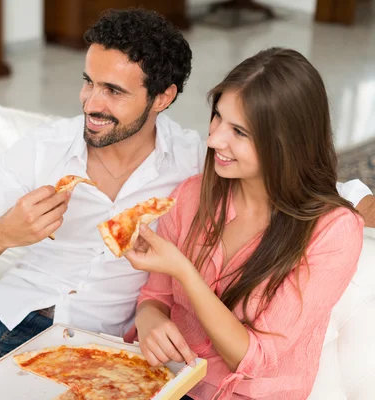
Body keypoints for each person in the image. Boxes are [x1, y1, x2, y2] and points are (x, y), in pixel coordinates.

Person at [0, 9, 373, 400]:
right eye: (87, 82)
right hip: (7, 309)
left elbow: (311, 191)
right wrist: (5, 232)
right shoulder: (50, 150)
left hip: (99, 341)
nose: (90, 104)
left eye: (114, 92)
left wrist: (363, 202)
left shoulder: (194, 164)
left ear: (164, 98)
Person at [125, 48, 364, 400]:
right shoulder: (192, 195)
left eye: (239, 131)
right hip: (167, 385)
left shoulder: (333, 232)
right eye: (217, 117)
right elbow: (155, 295)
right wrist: (150, 319)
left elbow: (253, 359)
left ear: (285, 144)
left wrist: (185, 272)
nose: (214, 139)